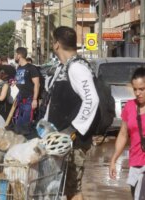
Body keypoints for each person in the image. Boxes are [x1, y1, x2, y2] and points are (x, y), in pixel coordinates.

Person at [45, 26, 99, 200]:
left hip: (73, 141)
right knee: (63, 189)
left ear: (56, 44)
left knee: (72, 189)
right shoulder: (64, 67)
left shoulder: (77, 68)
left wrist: (72, 130)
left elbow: (92, 99)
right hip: (60, 140)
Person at [109, 67, 145, 199]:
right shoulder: (129, 107)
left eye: (142, 89)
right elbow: (123, 134)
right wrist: (113, 159)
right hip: (135, 165)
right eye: (135, 89)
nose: (138, 93)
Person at [13, 47, 40, 134]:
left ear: (19, 55)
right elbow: (19, 81)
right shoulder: (18, 68)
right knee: (19, 125)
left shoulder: (31, 68)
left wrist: (35, 100)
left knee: (26, 127)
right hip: (20, 100)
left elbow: (37, 84)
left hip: (29, 100)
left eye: (15, 54)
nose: (14, 56)